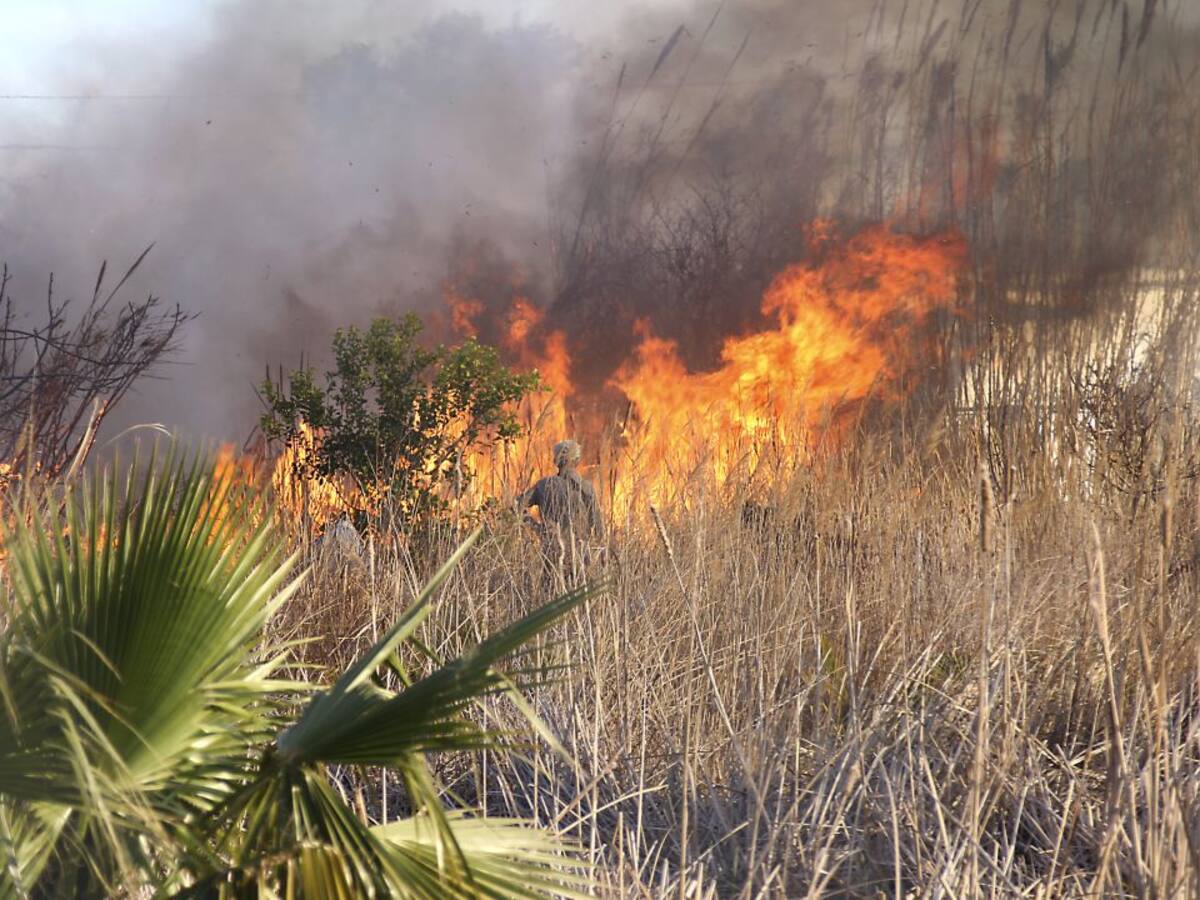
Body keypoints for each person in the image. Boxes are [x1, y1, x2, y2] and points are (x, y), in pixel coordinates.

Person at [516, 439, 604, 583]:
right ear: (577, 460)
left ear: (556, 460)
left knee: (551, 595)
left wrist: (535, 526)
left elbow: (516, 506)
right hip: (582, 556)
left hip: (553, 552)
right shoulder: (587, 488)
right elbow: (599, 530)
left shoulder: (544, 485)